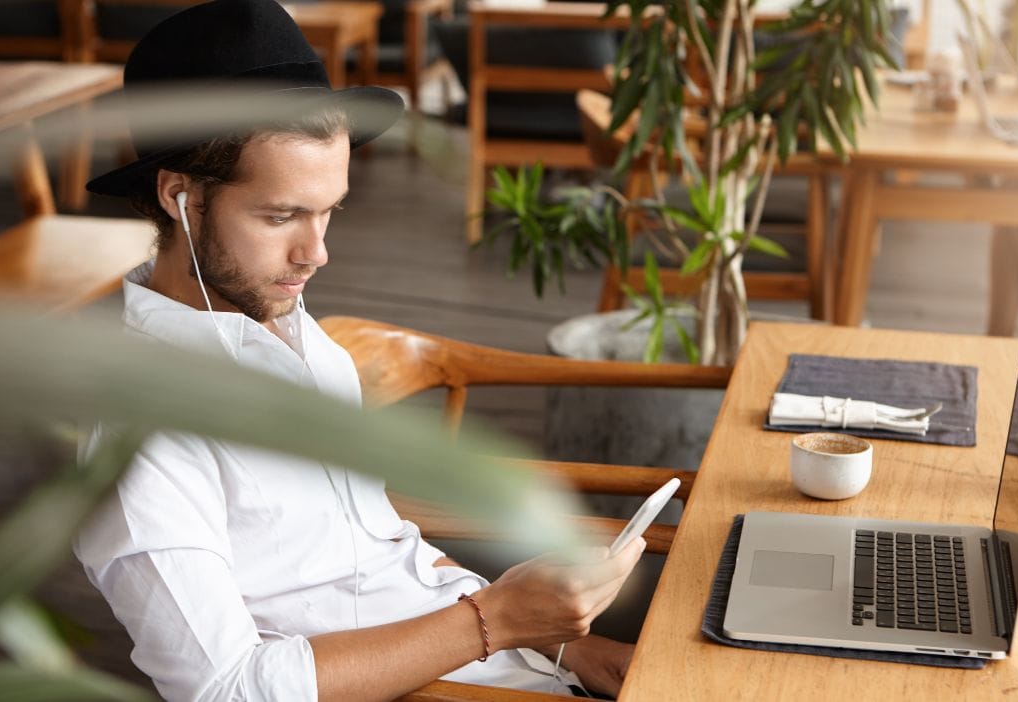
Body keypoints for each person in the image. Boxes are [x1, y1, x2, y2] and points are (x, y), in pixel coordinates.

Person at [74, 1, 645, 700]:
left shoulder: (284, 319)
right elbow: (224, 689)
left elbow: (379, 551)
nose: (316, 254)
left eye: (329, 211)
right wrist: (494, 622)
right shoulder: (140, 425)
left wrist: (563, 652)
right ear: (179, 197)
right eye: (280, 216)